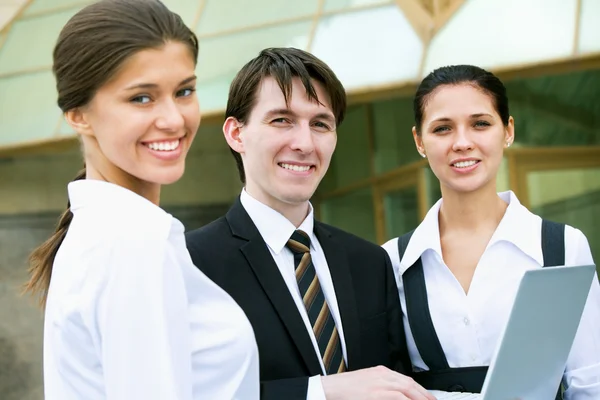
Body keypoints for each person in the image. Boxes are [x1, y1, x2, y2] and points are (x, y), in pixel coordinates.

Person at [23, 1, 259, 398]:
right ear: (78, 114)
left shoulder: (106, 231)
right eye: (141, 98)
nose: (174, 119)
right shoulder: (132, 241)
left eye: (184, 91)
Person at [185, 47, 435, 400]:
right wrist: (319, 392)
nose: (304, 143)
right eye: (281, 120)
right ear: (236, 134)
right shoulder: (190, 263)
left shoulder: (369, 262)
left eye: (320, 124)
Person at [382, 64, 600, 399]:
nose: (462, 142)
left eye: (480, 124)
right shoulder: (391, 262)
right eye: (442, 129)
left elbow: (590, 381)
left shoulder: (562, 247)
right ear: (419, 141)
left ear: (508, 131)